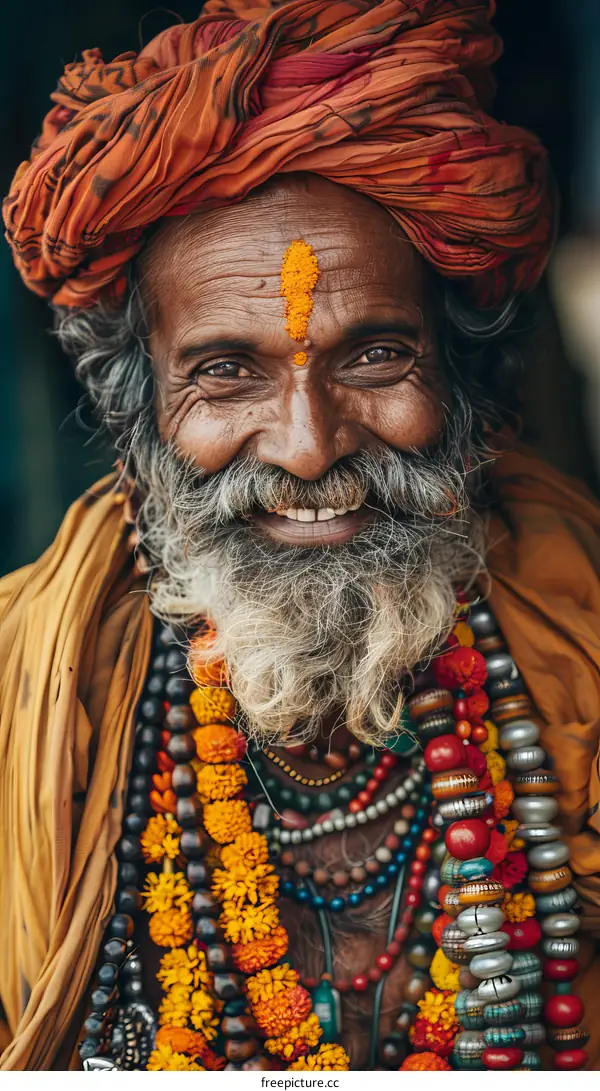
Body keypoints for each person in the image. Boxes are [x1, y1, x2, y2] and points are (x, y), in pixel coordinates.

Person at [1, 0, 599, 1073]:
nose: (312, 448)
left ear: (458, 383)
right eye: (226, 371)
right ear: (140, 420)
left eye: (375, 356)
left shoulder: (581, 622)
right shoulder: (24, 685)